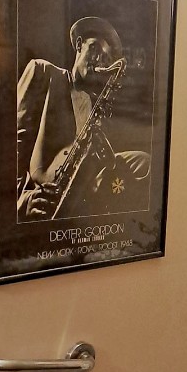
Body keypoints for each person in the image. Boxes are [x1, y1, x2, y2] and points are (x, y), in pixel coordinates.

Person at [16, 17, 150, 220]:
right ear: (79, 44)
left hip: (79, 198)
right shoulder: (43, 71)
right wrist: (22, 200)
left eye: (106, 58)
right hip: (42, 194)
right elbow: (9, 145)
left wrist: (107, 159)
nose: (99, 60)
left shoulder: (96, 106)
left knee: (142, 162)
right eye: (95, 49)